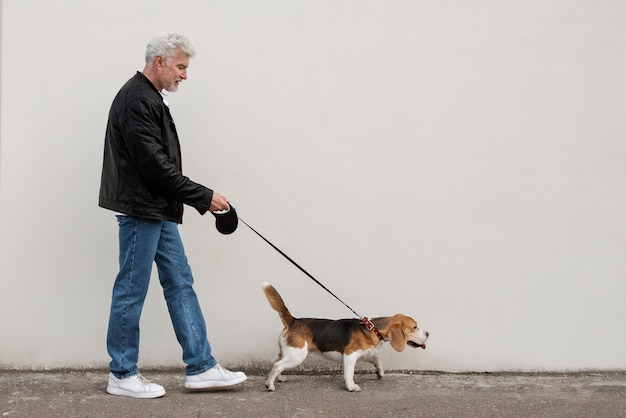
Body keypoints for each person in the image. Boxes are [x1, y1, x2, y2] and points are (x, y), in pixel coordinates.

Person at [98, 32, 246, 399]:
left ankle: (201, 367)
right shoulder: (137, 99)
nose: (185, 74)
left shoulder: (149, 99)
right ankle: (122, 372)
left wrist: (198, 198)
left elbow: (158, 169)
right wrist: (205, 197)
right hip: (141, 210)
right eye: (181, 66)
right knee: (131, 289)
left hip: (157, 208)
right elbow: (156, 168)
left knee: (180, 283)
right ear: (160, 61)